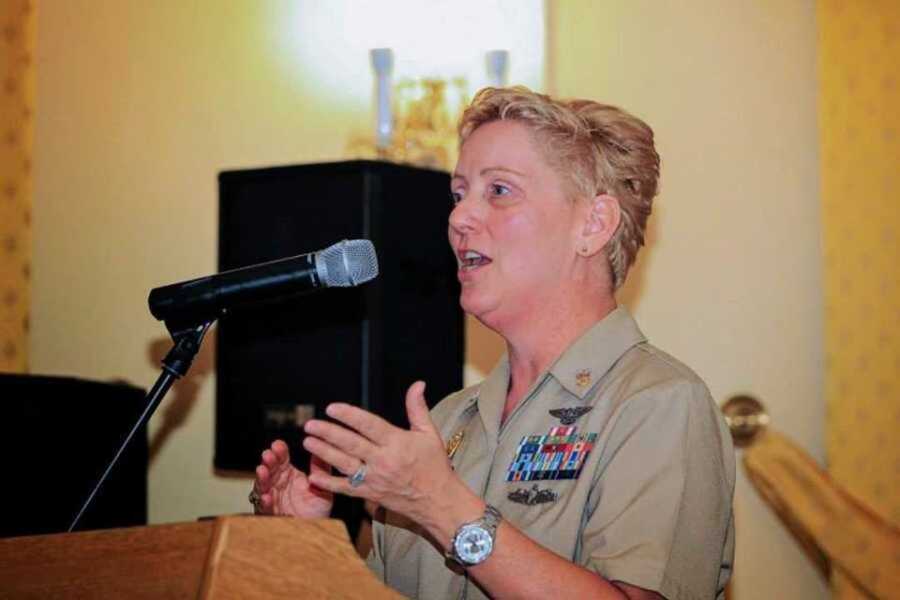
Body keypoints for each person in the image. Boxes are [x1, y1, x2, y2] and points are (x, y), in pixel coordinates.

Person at [250, 86, 735, 599]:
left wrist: (441, 506)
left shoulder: (657, 403)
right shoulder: (443, 426)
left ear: (592, 224)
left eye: (499, 191)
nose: (459, 219)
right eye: (459, 195)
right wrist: (304, 550)